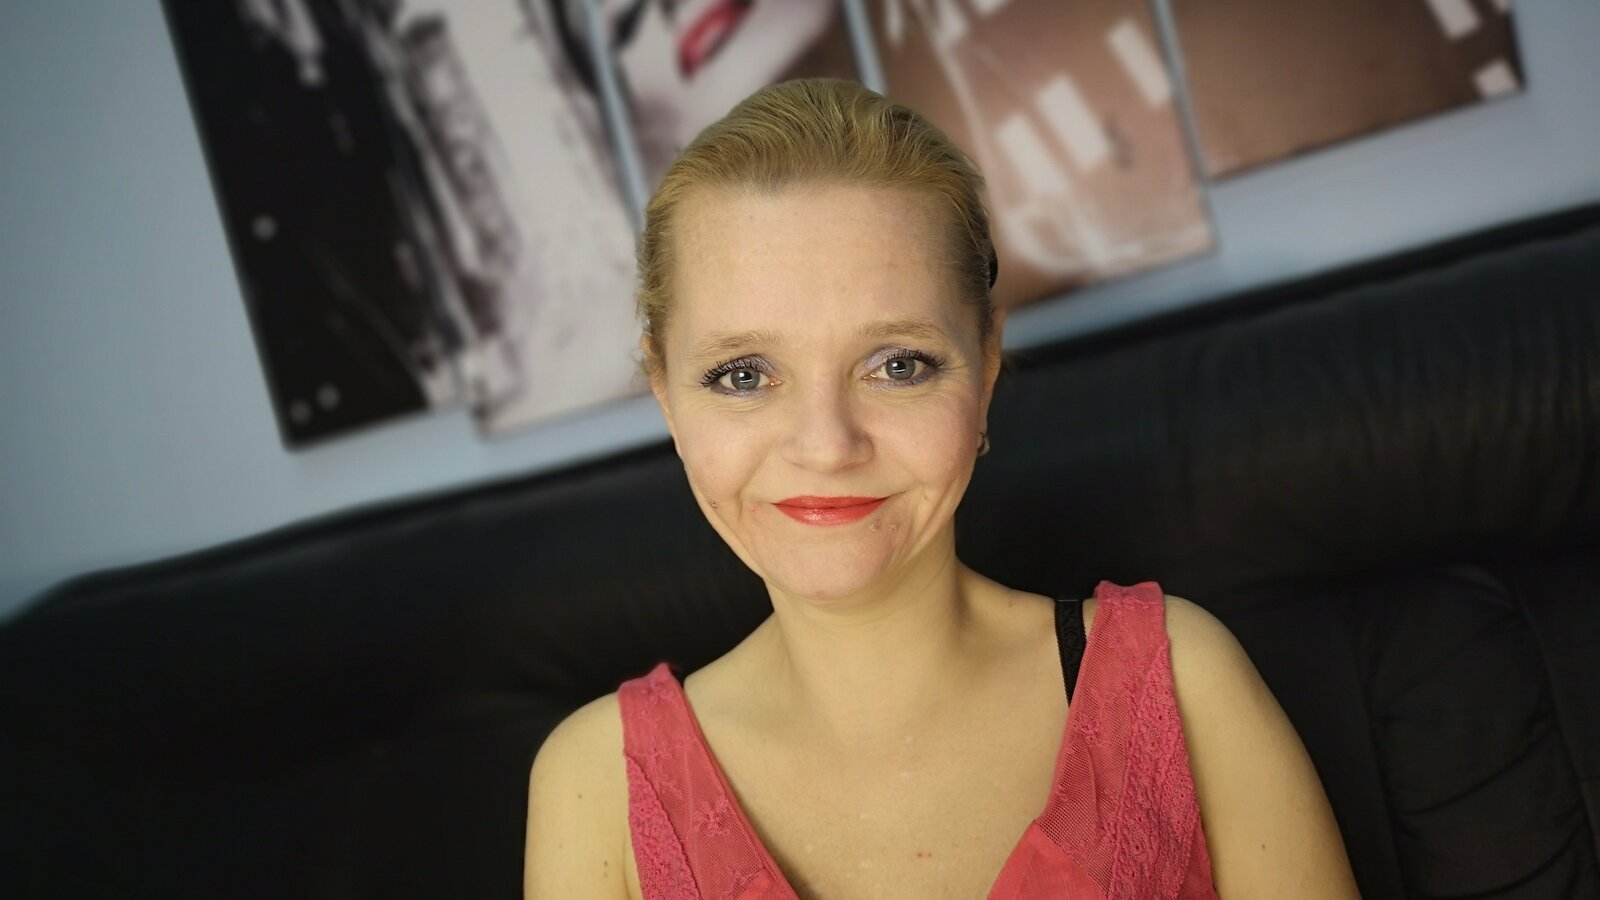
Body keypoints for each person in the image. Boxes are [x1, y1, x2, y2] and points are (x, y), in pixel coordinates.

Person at [524, 78, 1358, 899]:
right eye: (743, 374)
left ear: (986, 370)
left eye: (897, 365)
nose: (827, 447)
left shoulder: (1180, 681)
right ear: (667, 399)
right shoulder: (594, 785)